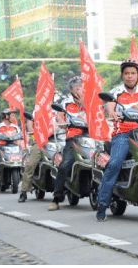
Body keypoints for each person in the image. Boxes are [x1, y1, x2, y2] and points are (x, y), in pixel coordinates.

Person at [96, 58, 138, 221]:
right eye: (127, 73)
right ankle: (102, 204)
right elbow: (109, 105)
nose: (130, 76)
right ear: (122, 75)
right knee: (114, 164)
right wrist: (112, 113)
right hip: (123, 135)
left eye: (133, 73)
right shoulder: (116, 93)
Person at [48, 76, 86, 211]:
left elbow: (98, 116)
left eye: (81, 85)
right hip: (73, 139)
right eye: (76, 86)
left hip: (91, 137)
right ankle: (56, 198)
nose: (79, 88)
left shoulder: (91, 100)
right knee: (64, 165)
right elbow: (59, 117)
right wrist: (61, 121)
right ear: (71, 89)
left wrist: (84, 104)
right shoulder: (65, 103)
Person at [18, 115, 37, 202]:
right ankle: (24, 192)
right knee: (30, 165)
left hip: (56, 141)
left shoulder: (57, 111)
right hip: (39, 142)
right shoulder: (37, 110)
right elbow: (30, 128)